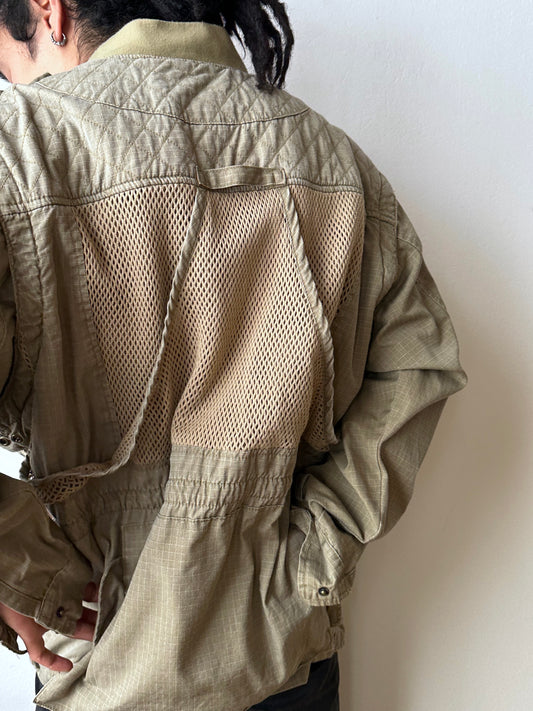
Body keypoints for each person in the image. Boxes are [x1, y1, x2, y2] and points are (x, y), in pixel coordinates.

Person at [0, 1, 467, 709]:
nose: (16, 85)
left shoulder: (19, 147)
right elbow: (417, 366)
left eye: (7, 64)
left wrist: (29, 575)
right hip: (281, 657)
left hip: (99, 662)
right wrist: (315, 555)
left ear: (49, 11)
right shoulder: (337, 162)